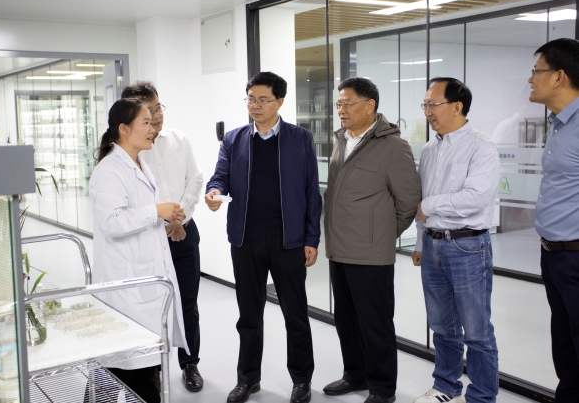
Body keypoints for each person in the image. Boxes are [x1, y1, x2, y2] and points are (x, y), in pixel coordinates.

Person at [205, 71, 321, 403]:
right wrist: (213, 192)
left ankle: (301, 380)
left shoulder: (301, 139)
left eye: (263, 100)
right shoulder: (234, 139)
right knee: (249, 316)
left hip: (289, 242)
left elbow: (312, 192)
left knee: (295, 315)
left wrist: (311, 238)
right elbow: (220, 177)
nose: (255, 105)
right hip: (246, 240)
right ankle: (247, 379)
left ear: (280, 101)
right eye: (250, 99)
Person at [322, 77, 421, 403]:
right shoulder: (341, 140)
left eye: (347, 103)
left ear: (370, 106)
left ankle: (382, 388)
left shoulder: (393, 146)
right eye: (338, 104)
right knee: (346, 321)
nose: (341, 110)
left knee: (375, 324)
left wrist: (380, 235)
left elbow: (409, 201)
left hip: (371, 254)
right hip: (339, 250)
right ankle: (355, 374)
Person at [88, 98, 189, 403]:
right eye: (145, 122)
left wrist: (166, 214)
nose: (152, 128)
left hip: (144, 281)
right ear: (124, 129)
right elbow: (112, 222)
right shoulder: (109, 170)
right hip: (126, 284)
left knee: (131, 368)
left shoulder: (139, 164)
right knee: (126, 369)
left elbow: (140, 212)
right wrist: (155, 211)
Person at [411, 78, 500, 403]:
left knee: (477, 331)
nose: (427, 112)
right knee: (442, 326)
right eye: (425, 105)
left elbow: (475, 198)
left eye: (432, 105)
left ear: (457, 107)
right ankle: (446, 386)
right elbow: (422, 200)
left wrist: (429, 206)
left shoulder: (481, 147)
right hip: (433, 245)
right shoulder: (430, 148)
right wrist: (420, 242)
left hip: (467, 247)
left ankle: (482, 396)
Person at [121, 82, 205, 392]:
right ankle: (152, 367)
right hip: (150, 237)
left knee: (187, 302)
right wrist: (166, 219)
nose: (156, 116)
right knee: (150, 305)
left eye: (158, 107)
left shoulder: (179, 140)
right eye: (149, 110)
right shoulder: (128, 152)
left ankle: (190, 362)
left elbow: (195, 179)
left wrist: (180, 216)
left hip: (184, 234)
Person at [529, 38, 579, 402]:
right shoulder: (559, 125)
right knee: (565, 346)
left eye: (537, 71)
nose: (530, 79)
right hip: (554, 254)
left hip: (576, 256)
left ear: (559, 76)